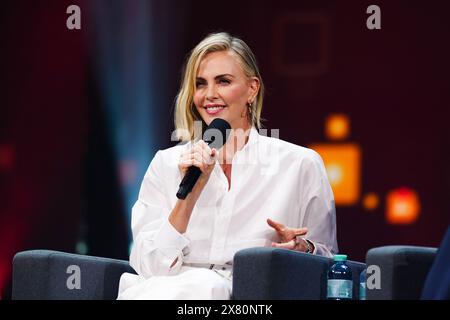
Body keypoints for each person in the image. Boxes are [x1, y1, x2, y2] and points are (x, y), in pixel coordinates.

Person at [117, 32, 338, 300]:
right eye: (200, 84)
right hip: (166, 290)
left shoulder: (300, 164)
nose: (209, 95)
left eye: (223, 81)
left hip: (252, 293)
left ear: (252, 89)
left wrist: (303, 249)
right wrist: (188, 196)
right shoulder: (167, 164)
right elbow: (149, 265)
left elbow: (330, 261)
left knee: (208, 286)